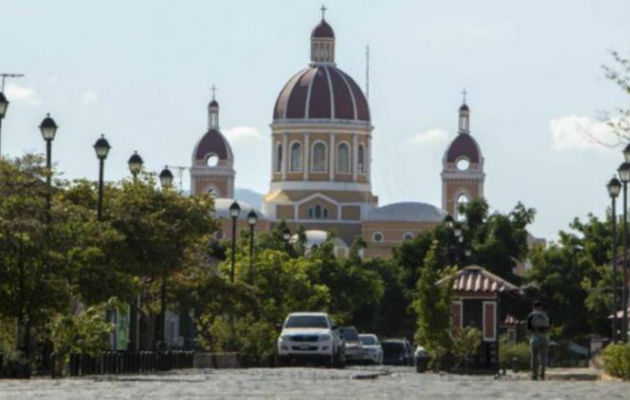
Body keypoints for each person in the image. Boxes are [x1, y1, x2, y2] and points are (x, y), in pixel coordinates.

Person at [527, 301, 551, 380]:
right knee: (543, 358)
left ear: (533, 307)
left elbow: (528, 328)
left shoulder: (531, 316)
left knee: (534, 357)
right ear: (541, 307)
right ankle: (542, 373)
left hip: (535, 339)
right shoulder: (546, 315)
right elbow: (550, 326)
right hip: (545, 338)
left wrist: (536, 332)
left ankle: (534, 374)